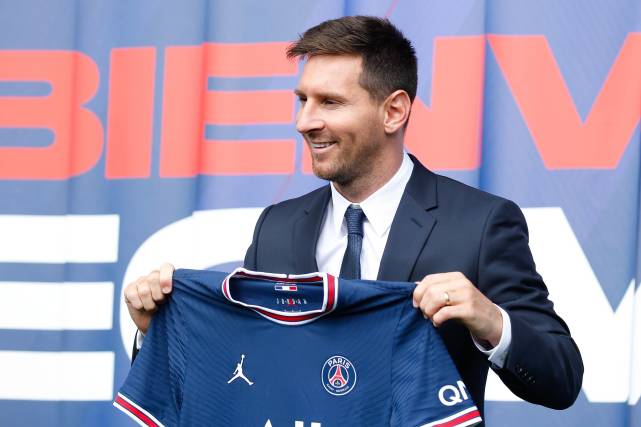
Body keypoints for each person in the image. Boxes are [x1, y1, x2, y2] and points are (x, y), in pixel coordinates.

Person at [124, 15, 583, 420]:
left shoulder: (480, 224)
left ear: (394, 111)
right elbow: (238, 373)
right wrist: (156, 332)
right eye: (302, 100)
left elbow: (561, 379)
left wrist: (491, 321)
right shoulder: (276, 228)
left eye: (329, 102)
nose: (305, 122)